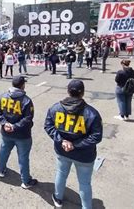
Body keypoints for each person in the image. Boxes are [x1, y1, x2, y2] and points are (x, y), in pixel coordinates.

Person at [44, 80, 103, 209]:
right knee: (84, 183)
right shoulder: (92, 113)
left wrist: (62, 141)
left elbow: (48, 126)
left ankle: (58, 198)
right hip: (84, 155)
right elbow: (96, 136)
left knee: (61, 174)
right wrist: (75, 144)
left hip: (62, 150)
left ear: (68, 91)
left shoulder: (55, 108)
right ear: (82, 93)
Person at [0, 76, 38, 188]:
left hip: (6, 132)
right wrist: (15, 126)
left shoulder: (2, 96)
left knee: (3, 151)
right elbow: (28, 118)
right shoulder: (26, 100)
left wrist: (4, 123)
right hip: (22, 135)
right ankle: (25, 181)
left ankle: (1, 170)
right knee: (23, 157)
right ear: (22, 85)